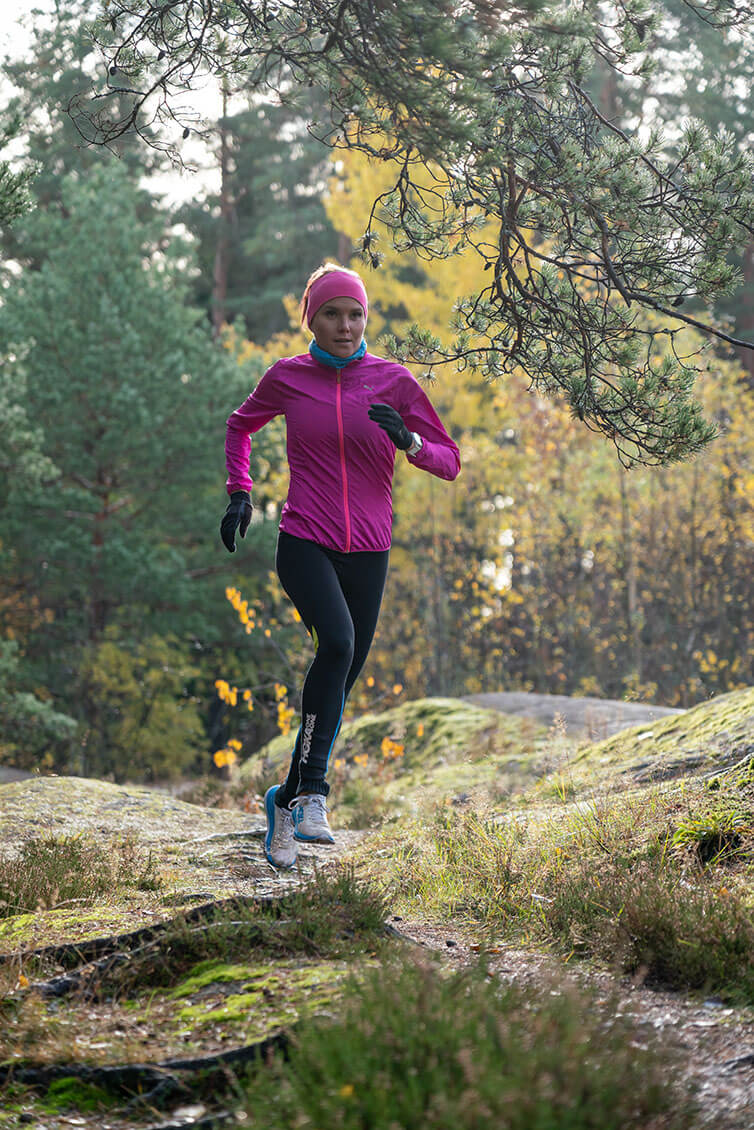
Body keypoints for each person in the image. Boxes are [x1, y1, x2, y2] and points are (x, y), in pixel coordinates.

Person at [221, 263, 460, 869]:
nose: (345, 325)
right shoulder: (287, 377)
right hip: (305, 540)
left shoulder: (394, 381)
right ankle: (315, 795)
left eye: (355, 314)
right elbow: (240, 425)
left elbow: (449, 461)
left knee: (339, 677)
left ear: (366, 319)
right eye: (332, 313)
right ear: (312, 319)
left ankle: (284, 799)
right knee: (338, 644)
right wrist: (240, 491)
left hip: (371, 551)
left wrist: (408, 442)